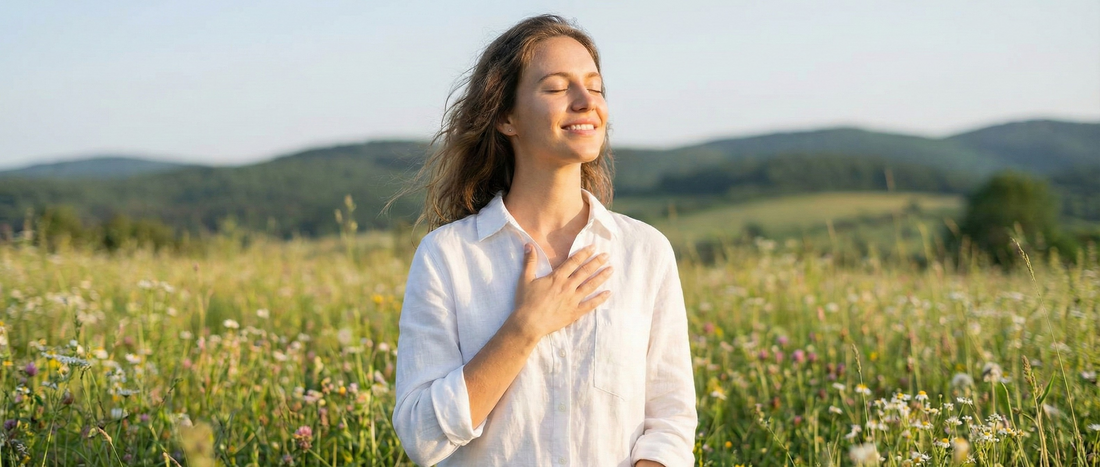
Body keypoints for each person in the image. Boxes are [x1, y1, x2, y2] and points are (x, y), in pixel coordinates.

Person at [389, 14, 697, 467]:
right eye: (556, 88)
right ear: (507, 117)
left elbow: (669, 421)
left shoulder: (645, 251)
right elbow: (422, 437)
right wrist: (525, 327)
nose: (584, 101)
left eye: (594, 86)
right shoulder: (448, 257)